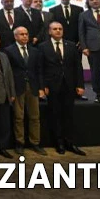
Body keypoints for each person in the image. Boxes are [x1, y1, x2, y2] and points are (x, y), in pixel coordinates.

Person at [38, 21, 86, 155]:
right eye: (55, 29)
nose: (58, 31)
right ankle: (59, 143)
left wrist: (80, 84)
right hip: (52, 86)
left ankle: (70, 142)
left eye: (60, 29)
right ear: (49, 31)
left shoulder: (71, 45)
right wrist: (43, 86)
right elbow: (40, 68)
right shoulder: (43, 47)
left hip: (69, 85)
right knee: (55, 115)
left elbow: (78, 66)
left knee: (68, 115)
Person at [3, 27, 46, 156]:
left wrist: (41, 88)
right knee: (18, 117)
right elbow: (8, 72)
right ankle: (19, 143)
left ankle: (35, 142)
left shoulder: (35, 51)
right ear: (15, 36)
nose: (25, 36)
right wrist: (10, 90)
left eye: (26, 34)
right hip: (17, 87)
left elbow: (39, 71)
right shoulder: (8, 51)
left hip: (33, 87)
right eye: (21, 34)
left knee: (35, 116)